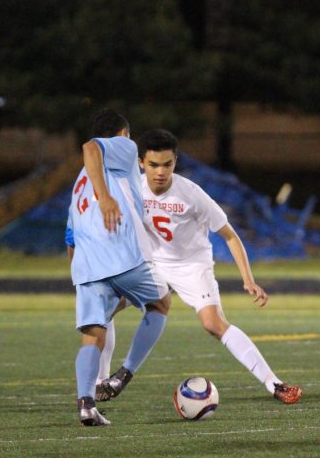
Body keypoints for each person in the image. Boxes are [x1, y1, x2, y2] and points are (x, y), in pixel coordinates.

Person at [95, 129, 303, 404]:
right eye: (154, 164)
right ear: (141, 163)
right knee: (101, 308)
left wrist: (248, 279)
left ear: (175, 162)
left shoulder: (191, 194)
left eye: (167, 164)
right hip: (152, 264)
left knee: (214, 324)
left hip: (192, 266)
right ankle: (103, 382)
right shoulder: (131, 187)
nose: (160, 172)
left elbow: (229, 234)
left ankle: (273, 383)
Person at [65, 109, 172, 426]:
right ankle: (123, 375)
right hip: (121, 255)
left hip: (87, 266)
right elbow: (90, 148)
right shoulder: (122, 147)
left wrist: (81, 278)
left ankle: (86, 405)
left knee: (93, 333)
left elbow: (70, 235)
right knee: (161, 303)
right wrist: (105, 197)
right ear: (123, 135)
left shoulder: (77, 184)